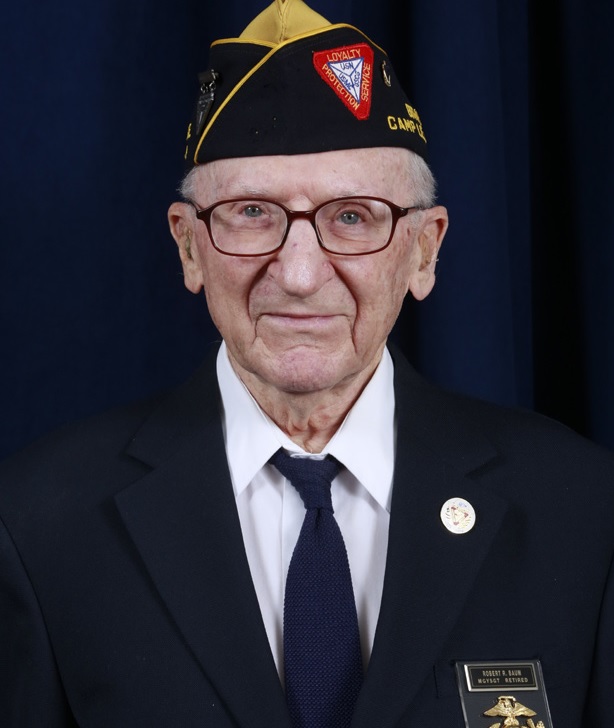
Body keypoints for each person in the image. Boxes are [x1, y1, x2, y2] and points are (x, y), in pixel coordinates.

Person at [1, 1, 612, 726]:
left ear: (424, 251)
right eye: (252, 213)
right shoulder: (37, 522)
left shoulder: (583, 511)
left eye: (352, 217)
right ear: (189, 247)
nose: (297, 274)